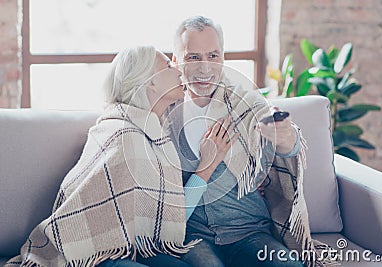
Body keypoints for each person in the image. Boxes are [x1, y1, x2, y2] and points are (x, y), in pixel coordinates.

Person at [5, 46, 238, 267]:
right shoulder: (125, 136)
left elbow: (166, 218)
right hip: (96, 255)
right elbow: (175, 215)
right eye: (168, 66)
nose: (178, 70)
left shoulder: (155, 135)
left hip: (135, 249)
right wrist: (207, 167)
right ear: (151, 81)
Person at [166, 16, 327, 266]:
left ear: (223, 59)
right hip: (192, 234)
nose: (204, 68)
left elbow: (288, 146)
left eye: (213, 56)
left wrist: (285, 137)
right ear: (176, 62)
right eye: (193, 57)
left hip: (249, 230)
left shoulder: (246, 104)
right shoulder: (163, 115)